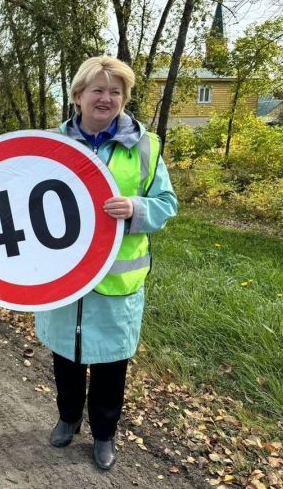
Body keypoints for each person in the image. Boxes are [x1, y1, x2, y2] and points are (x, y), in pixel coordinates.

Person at [31, 56, 177, 470]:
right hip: (63, 276)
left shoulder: (145, 146)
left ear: (124, 99)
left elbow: (167, 205)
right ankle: (68, 418)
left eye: (116, 91)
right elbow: (11, 194)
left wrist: (135, 207)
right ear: (78, 95)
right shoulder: (49, 144)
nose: (106, 98)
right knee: (67, 355)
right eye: (97, 89)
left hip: (117, 283)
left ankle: (105, 434)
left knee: (112, 362)